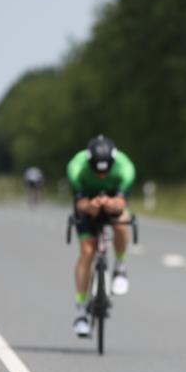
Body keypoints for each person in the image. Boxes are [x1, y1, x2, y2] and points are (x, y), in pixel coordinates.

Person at [66, 135, 137, 337]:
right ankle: (80, 311)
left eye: (105, 172)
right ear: (89, 163)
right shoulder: (76, 168)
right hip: (88, 204)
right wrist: (90, 206)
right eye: (96, 171)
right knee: (87, 252)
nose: (100, 176)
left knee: (122, 224)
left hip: (113, 201)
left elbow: (122, 203)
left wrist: (113, 204)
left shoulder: (125, 168)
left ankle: (121, 268)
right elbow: (79, 203)